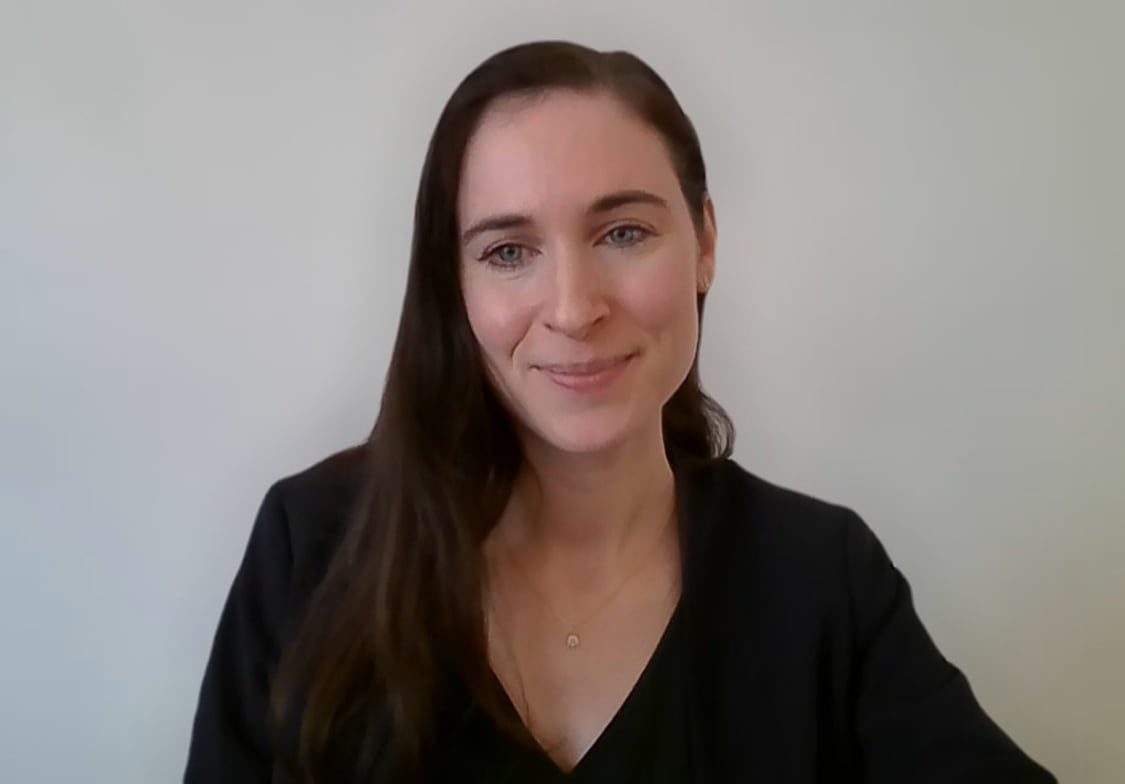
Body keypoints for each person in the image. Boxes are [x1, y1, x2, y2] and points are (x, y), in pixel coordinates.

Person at [184, 40, 1055, 783]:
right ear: (456, 287)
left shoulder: (823, 578)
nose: (572, 306)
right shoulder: (312, 547)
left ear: (705, 243)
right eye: (509, 250)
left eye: (623, 234)